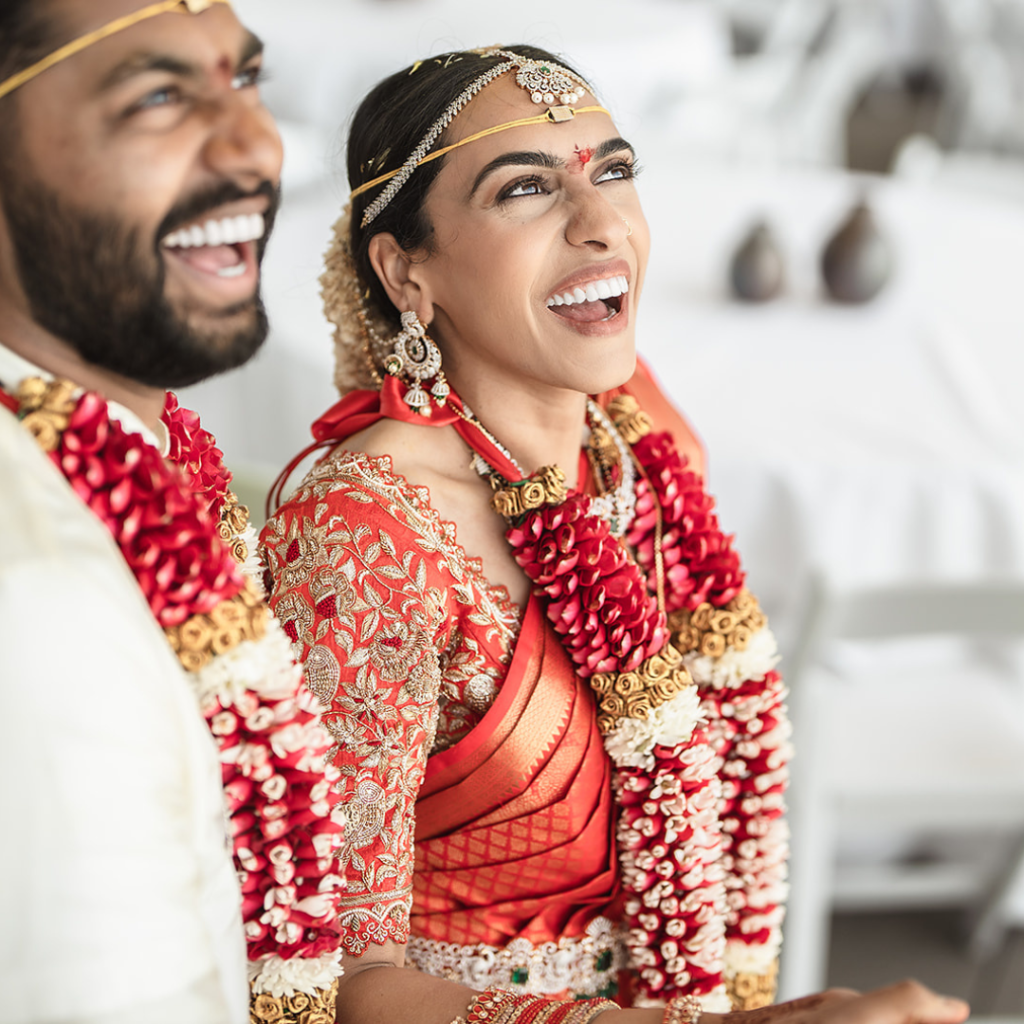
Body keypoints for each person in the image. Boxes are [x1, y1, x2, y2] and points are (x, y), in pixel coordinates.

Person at [260, 46, 972, 1024]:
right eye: (525, 189)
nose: (601, 225)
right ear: (403, 269)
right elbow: (335, 981)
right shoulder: (365, 535)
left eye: (616, 172)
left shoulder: (646, 448)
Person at [0, 2, 344, 1021]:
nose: (255, 144)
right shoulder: (44, 601)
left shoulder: (127, 456)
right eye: (157, 97)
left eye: (244, 81)